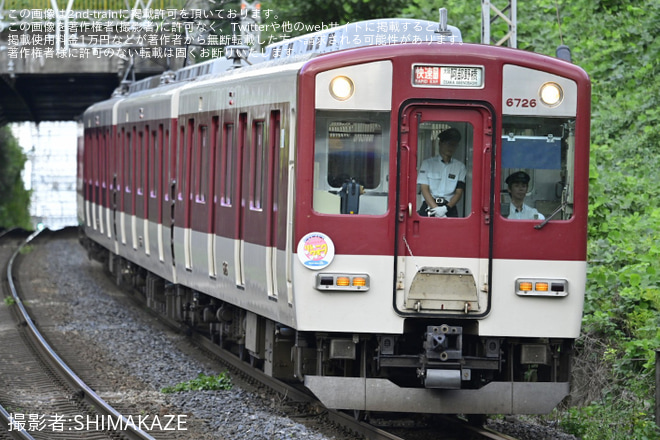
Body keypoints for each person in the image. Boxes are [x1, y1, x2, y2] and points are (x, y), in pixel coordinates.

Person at [417, 128, 466, 217]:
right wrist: (436, 210)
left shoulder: (460, 167)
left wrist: (445, 209)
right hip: (429, 207)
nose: (451, 148)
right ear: (440, 144)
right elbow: (424, 189)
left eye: (454, 145)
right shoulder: (427, 163)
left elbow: (459, 192)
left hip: (449, 208)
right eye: (448, 144)